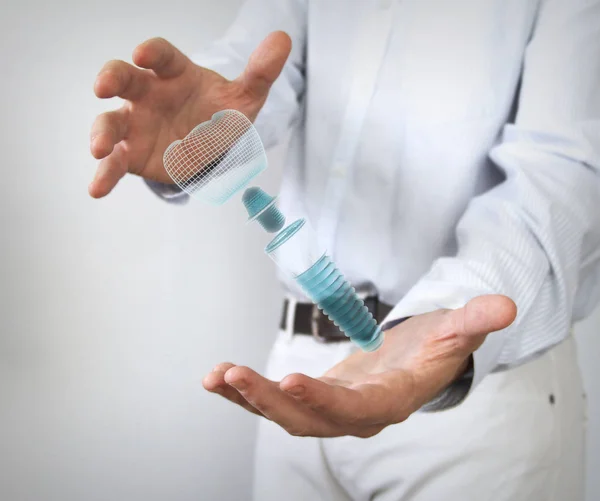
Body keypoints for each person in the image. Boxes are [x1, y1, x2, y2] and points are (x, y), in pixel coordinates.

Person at [89, 1, 600, 499]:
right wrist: (205, 134)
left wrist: (444, 319)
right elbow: (254, 71)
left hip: (467, 391)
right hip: (298, 370)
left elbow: (564, 170)